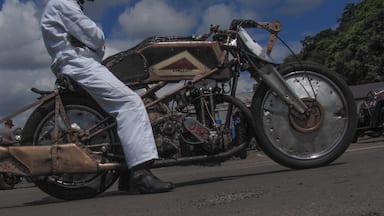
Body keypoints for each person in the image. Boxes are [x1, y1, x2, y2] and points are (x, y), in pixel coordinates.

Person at [40, 0, 174, 193]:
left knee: (118, 113)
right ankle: (140, 174)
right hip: (80, 64)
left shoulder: (63, 4)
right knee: (130, 104)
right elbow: (95, 37)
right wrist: (98, 37)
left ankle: (127, 175)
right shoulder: (62, 3)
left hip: (79, 63)